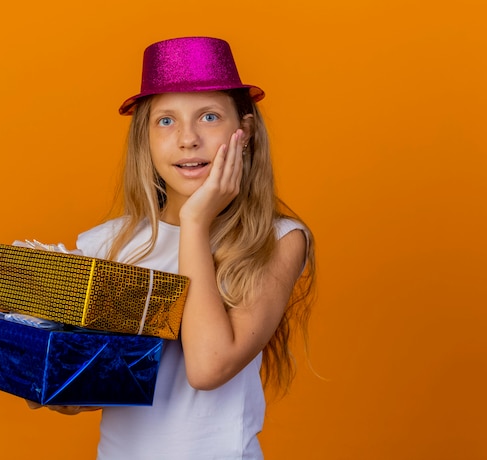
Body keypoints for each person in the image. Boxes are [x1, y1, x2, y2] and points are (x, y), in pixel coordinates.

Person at [38, 36, 315, 459]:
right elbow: (94, 384)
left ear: (246, 130)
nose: (187, 139)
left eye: (208, 117)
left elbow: (208, 367)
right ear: (144, 139)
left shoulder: (277, 240)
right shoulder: (109, 243)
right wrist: (51, 379)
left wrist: (195, 222)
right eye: (166, 121)